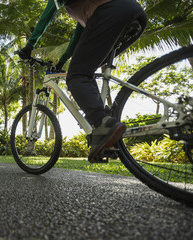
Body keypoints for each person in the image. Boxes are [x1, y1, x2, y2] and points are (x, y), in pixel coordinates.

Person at [17, 0, 148, 163]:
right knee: (86, 70)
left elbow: (46, 17)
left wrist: (29, 46)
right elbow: (76, 39)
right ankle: (106, 133)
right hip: (136, 13)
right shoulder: (86, 8)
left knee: (76, 76)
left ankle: (103, 122)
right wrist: (62, 61)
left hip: (111, 12)